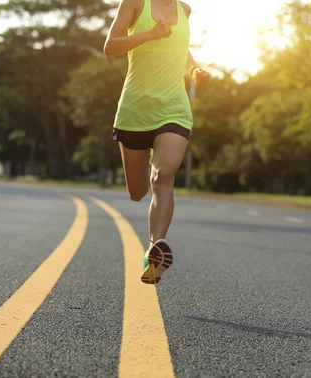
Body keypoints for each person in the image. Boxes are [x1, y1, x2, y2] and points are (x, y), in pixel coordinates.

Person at [104, 0, 209, 284]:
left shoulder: (185, 10)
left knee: (163, 176)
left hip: (174, 109)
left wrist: (194, 69)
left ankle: (155, 249)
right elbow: (111, 46)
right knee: (137, 192)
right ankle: (154, 159)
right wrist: (150, 34)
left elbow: (180, 48)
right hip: (135, 111)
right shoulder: (135, 4)